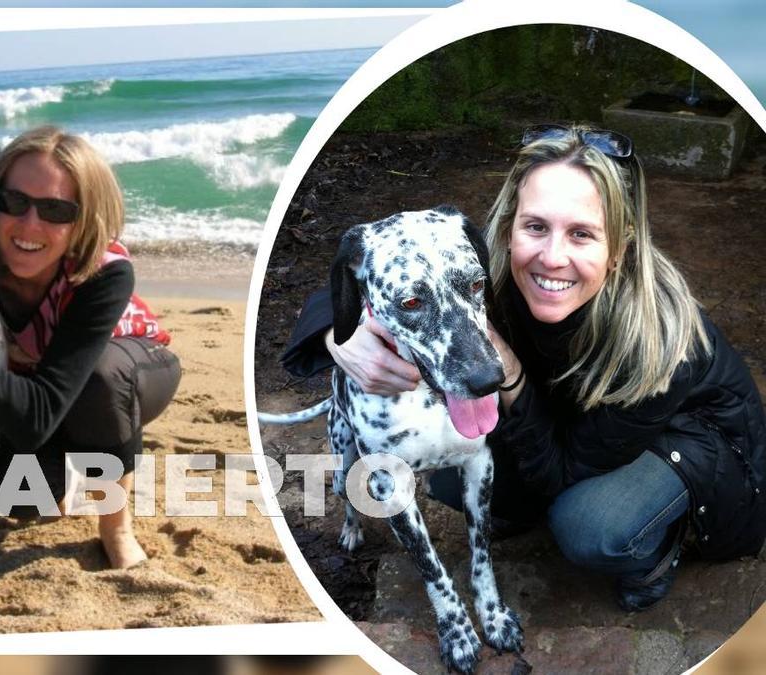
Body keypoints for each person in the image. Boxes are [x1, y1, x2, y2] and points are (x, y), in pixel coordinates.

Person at [279, 123, 766, 611]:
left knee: (588, 526)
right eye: (535, 227)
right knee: (453, 480)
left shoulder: (660, 341)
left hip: (692, 444)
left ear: (620, 250)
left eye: (582, 234)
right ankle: (524, 503)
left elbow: (565, 469)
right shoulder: (478, 262)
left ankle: (654, 551)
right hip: (573, 419)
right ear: (509, 226)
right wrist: (341, 338)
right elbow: (357, 277)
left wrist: (508, 372)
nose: (551, 257)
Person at [0, 128, 181, 569]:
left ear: (83, 219)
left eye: (56, 209)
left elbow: (36, 419)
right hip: (32, 384)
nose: (29, 225)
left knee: (98, 382)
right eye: (14, 201)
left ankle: (116, 527)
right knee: (16, 494)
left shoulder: (103, 272)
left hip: (128, 367)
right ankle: (64, 479)